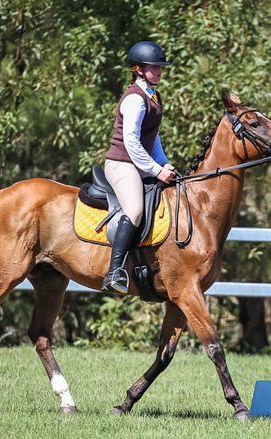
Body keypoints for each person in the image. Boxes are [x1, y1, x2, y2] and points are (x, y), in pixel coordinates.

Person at [102, 41, 176, 293]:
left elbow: (153, 138)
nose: (159, 71)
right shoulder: (135, 97)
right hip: (121, 163)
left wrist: (164, 163)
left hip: (139, 164)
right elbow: (131, 142)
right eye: (154, 67)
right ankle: (114, 272)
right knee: (134, 210)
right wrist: (156, 170)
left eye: (161, 67)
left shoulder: (154, 96)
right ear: (139, 69)